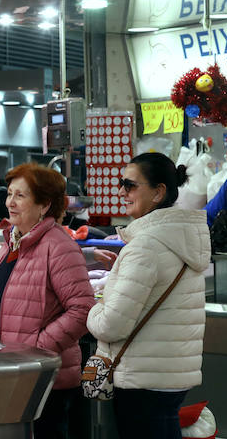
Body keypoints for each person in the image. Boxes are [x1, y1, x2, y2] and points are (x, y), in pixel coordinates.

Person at [87, 152, 210, 439]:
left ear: (158, 192)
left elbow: (111, 324)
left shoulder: (145, 247)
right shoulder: (181, 238)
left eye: (130, 185)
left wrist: (92, 308)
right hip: (170, 376)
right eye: (121, 184)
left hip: (142, 380)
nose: (121, 192)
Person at [0, 163, 94, 439]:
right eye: (9, 194)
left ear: (44, 205)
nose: (10, 203)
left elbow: (83, 308)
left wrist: (38, 349)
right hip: (8, 374)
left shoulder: (59, 245)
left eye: (20, 196)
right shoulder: (11, 243)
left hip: (43, 381)